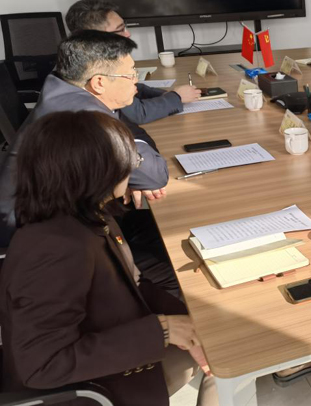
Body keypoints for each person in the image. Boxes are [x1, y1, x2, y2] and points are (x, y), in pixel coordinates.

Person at [0, 111, 216, 406]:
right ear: (98, 171)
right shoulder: (54, 251)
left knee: (219, 347)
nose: (133, 168)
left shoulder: (89, 215)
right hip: (89, 390)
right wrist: (162, 330)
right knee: (227, 369)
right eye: (131, 160)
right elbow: (43, 365)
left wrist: (191, 320)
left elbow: (134, 284)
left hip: (112, 348)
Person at [0, 30, 177, 296]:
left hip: (66, 218)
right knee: (175, 268)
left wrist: (126, 164)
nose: (136, 82)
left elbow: (133, 147)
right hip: (49, 251)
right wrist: (132, 161)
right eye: (131, 74)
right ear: (99, 82)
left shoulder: (64, 87)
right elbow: (155, 175)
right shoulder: (85, 119)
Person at [65, 0, 201, 124]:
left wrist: (165, 94)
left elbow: (132, 87)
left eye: (125, 27)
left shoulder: (83, 54)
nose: (127, 34)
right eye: (120, 30)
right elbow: (138, 114)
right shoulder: (92, 67)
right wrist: (177, 97)